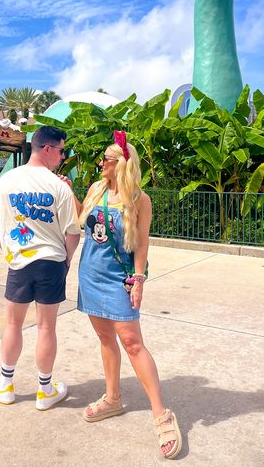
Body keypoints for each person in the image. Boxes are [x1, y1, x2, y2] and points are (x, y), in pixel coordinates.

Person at [65, 131, 182, 460]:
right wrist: (67, 191)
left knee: (132, 343)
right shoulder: (95, 189)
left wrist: (140, 278)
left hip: (119, 278)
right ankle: (113, 398)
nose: (101, 163)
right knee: (105, 340)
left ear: (122, 164)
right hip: (90, 274)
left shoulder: (139, 199)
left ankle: (160, 415)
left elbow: (142, 242)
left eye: (106, 159)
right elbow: (83, 222)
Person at [0, 126, 81, 411]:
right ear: (47, 148)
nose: (63, 157)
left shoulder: (7, 180)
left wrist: (10, 253)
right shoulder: (59, 186)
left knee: (13, 323)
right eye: (62, 151)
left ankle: (5, 385)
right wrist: (66, 262)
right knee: (47, 326)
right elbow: (73, 232)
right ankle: (45, 390)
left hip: (20, 263)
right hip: (51, 263)